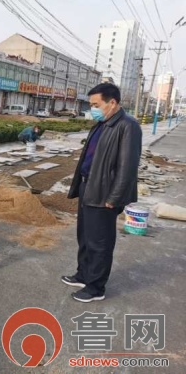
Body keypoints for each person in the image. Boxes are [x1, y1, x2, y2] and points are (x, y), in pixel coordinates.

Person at [63, 83, 142, 302]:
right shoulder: (101, 124)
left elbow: (128, 167)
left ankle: (96, 288)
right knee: (85, 237)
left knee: (100, 242)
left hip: (105, 193)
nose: (93, 109)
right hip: (88, 187)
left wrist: (114, 198)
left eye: (96, 105)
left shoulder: (128, 126)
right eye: (91, 105)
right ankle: (83, 274)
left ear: (112, 103)